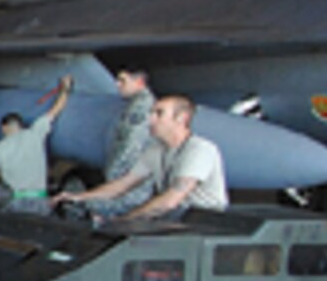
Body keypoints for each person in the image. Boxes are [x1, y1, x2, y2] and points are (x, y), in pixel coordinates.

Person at [55, 94, 227, 221]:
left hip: (205, 222)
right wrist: (80, 197)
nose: (150, 119)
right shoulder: (155, 150)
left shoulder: (199, 150)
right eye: (151, 112)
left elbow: (170, 201)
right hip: (177, 219)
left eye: (159, 113)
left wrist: (124, 220)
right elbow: (123, 185)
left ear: (181, 118)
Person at [0, 75, 73, 213]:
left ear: (4, 128)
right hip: (39, 200)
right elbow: (56, 110)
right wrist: (66, 88)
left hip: (13, 201)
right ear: (20, 125)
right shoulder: (35, 133)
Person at [85, 68, 157, 217]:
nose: (117, 84)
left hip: (130, 187)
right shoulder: (138, 104)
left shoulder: (141, 108)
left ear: (139, 82)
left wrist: (113, 179)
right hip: (131, 184)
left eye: (123, 80)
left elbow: (131, 146)